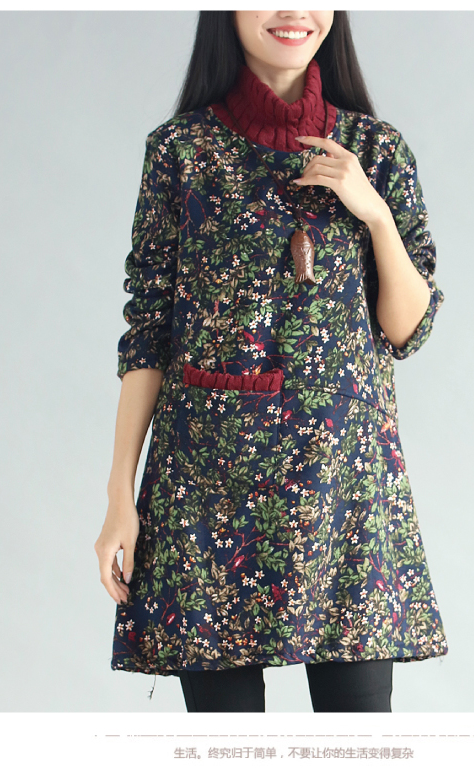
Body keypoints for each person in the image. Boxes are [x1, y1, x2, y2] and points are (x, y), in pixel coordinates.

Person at [94, 9, 449, 713]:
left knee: (358, 744)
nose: (293, 12)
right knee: (229, 750)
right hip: (207, 488)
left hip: (345, 491)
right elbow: (149, 334)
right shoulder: (181, 151)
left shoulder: (376, 150)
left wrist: (373, 211)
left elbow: (408, 327)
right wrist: (119, 498)